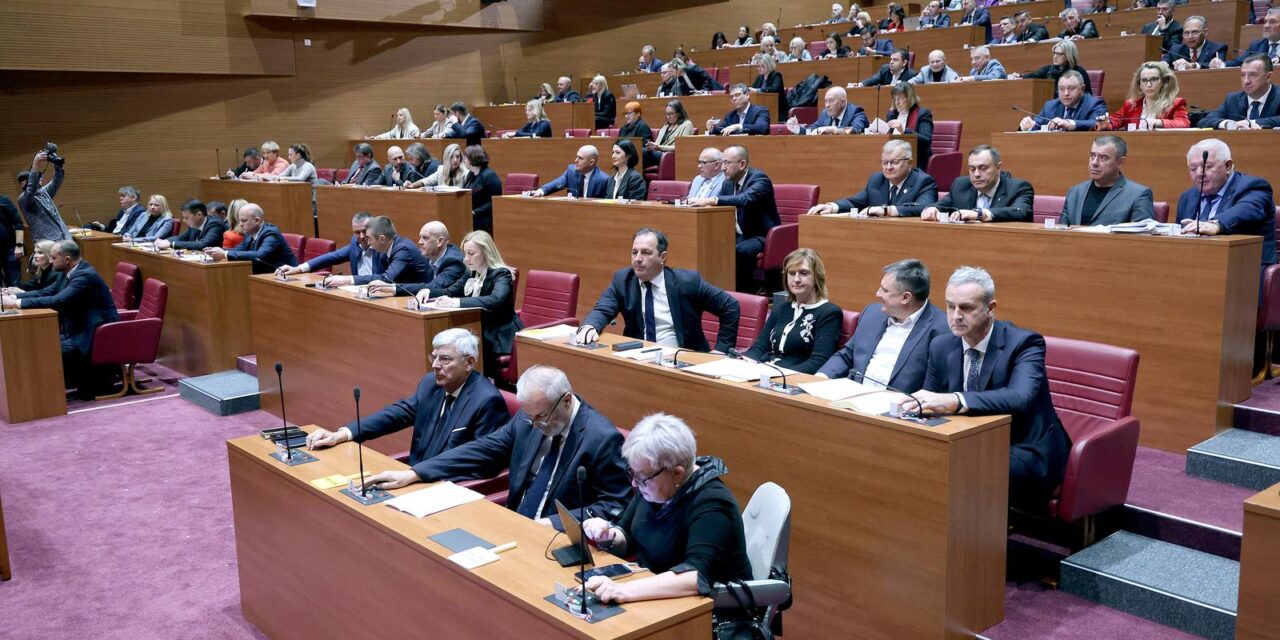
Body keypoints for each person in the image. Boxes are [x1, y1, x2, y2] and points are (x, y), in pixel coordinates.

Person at [366, 366, 629, 529]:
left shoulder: (601, 438)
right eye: (530, 417)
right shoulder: (529, 419)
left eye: (541, 417)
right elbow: (485, 449)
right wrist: (416, 472)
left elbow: (616, 505)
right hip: (513, 526)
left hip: (554, 541)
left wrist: (553, 524)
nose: (535, 424)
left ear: (567, 401)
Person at [910, 266, 1071, 509]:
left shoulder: (1025, 343)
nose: (955, 315)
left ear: (990, 309)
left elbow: (1019, 397)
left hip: (1022, 445)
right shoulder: (941, 345)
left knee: (967, 471)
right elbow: (931, 402)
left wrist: (955, 400)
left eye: (966, 307)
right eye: (950, 306)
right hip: (968, 441)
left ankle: (972, 543)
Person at [582, 413, 752, 604]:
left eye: (642, 478)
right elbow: (628, 536)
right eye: (633, 474)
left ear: (677, 473)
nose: (636, 485)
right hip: (657, 595)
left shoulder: (714, 505)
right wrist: (610, 536)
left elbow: (695, 576)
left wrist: (623, 591)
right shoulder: (655, 484)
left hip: (707, 614)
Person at [305, 328, 508, 463]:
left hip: (449, 489)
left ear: (470, 362)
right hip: (415, 477)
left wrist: (416, 476)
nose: (435, 365)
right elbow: (396, 414)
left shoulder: (487, 401)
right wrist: (342, 434)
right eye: (434, 357)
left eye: (445, 359)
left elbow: (482, 462)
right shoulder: (431, 384)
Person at [575, 228, 740, 352]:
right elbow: (603, 309)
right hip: (638, 357)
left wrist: (721, 351)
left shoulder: (687, 281)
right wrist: (589, 326)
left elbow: (730, 306)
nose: (638, 259)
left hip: (683, 359)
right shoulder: (622, 280)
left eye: (646, 253)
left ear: (663, 257)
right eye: (634, 252)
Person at [3, 240, 118, 398]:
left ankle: (47, 394)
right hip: (77, 327)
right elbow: (46, 292)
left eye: (54, 257)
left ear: (67, 259)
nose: (50, 261)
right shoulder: (67, 273)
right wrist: (12, 296)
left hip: (93, 331)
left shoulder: (85, 275)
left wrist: (16, 303)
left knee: (45, 350)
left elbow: (58, 300)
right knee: (37, 344)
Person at [817, 258, 950, 391]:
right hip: (853, 397)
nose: (877, 293)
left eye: (885, 290)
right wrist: (821, 377)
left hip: (899, 406)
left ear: (905, 298)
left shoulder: (941, 328)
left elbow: (936, 385)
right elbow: (847, 354)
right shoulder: (872, 314)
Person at [417, 230, 523, 375]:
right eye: (465, 253)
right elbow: (450, 291)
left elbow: (494, 300)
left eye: (471, 254)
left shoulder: (501, 273)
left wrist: (456, 302)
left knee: (461, 346)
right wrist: (428, 292)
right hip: (479, 327)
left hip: (498, 333)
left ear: (486, 253)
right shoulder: (471, 273)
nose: (466, 259)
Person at [1175, 139, 1276, 278]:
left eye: (1207, 166)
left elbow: (1246, 210)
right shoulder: (1188, 197)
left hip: (1244, 272)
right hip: (1198, 269)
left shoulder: (1254, 186)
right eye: (1193, 168)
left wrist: (1216, 224)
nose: (1199, 173)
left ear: (1228, 166)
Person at [688, 145, 780, 291]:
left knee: (740, 250)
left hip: (760, 235)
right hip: (737, 233)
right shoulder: (727, 183)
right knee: (709, 245)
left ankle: (743, 293)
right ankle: (715, 289)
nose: (723, 168)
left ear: (742, 164)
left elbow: (745, 199)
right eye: (722, 163)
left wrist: (712, 200)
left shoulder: (760, 179)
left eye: (727, 163)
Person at [742, 249, 842, 373]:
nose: (796, 279)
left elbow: (818, 361)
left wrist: (781, 375)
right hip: (764, 372)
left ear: (817, 276)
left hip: (792, 380)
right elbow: (760, 347)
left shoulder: (829, 313)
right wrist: (744, 363)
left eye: (803, 273)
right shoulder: (782, 308)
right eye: (791, 273)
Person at [807, 139, 937, 218]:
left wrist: (887, 210)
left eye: (894, 162)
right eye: (885, 163)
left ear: (910, 163)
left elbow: (924, 207)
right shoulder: (877, 180)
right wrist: (832, 206)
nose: (888, 167)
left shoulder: (923, 182)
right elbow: (856, 202)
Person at [922, 145, 1034, 222]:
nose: (976, 174)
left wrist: (979, 214)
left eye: (983, 168)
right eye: (972, 169)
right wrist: (932, 209)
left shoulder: (1019, 188)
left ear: (998, 168)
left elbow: (1020, 212)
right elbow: (941, 205)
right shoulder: (960, 185)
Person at [1060, 136, 1155, 226]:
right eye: (1092, 155)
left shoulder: (1138, 195)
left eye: (1103, 157)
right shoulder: (1075, 192)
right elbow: (1060, 231)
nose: (1094, 162)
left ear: (1120, 162)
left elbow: (1142, 238)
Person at [322, 216, 431, 287]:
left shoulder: (403, 249)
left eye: (369, 238)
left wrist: (348, 279)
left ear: (382, 239)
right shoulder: (390, 247)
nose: (368, 242)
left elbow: (386, 278)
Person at [370, 221, 467, 296]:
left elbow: (433, 287)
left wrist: (392, 288)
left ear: (440, 241)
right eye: (420, 237)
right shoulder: (430, 256)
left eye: (425, 238)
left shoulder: (454, 261)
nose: (420, 242)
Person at [277, 212, 382, 279]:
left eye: (364, 231)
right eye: (357, 232)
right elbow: (330, 257)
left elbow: (384, 278)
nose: (362, 236)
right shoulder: (355, 244)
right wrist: (298, 268)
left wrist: (349, 280)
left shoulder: (383, 247)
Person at [204, 203, 298, 273]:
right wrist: (216, 250)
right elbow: (237, 250)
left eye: (244, 220)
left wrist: (224, 254)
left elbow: (260, 255)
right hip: (264, 276)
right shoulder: (249, 234)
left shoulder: (270, 233)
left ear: (256, 220)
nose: (240, 224)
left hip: (286, 277)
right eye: (239, 220)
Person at [1099, 61, 1190, 130]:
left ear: (1163, 82)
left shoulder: (1175, 103)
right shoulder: (1131, 105)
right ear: (1139, 84)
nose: (1149, 84)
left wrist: (1159, 122)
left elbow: (1183, 123)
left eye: (1154, 79)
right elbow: (1114, 120)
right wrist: (1106, 123)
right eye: (1144, 80)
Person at [1200, 55, 1280, 130]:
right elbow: (1205, 121)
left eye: (1253, 75)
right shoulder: (1233, 99)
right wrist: (1229, 124)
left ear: (1268, 76)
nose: (1246, 81)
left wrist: (1250, 123)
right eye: (1243, 75)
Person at [1019, 70, 1107, 131]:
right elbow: (1038, 125)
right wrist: (1029, 126)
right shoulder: (1050, 106)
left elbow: (1097, 124)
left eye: (1071, 88)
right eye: (1061, 89)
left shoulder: (1094, 104)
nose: (1066, 93)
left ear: (1082, 89)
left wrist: (1069, 123)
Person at [16, 149, 72, 243]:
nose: (40, 180)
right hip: (46, 242)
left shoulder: (43, 191)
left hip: (64, 237)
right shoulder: (23, 199)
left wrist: (56, 161)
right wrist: (36, 163)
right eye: (38, 178)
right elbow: (32, 187)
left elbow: (57, 179)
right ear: (25, 183)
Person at [1007, 40, 1093, 97]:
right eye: (1054, 53)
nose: (1055, 57)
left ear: (1068, 55)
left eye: (1059, 54)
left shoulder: (1079, 72)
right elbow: (1034, 76)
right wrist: (1019, 76)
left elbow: (1087, 95)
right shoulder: (1049, 69)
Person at [884, 82, 936, 170]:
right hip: (891, 156)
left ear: (909, 98)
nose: (897, 102)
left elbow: (926, 140)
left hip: (915, 159)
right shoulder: (892, 114)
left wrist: (904, 131)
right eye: (895, 98)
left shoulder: (923, 114)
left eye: (900, 98)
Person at [525, 145, 610, 198]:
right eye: (577, 157)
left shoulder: (603, 179)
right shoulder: (571, 171)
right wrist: (541, 191)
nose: (576, 160)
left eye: (580, 158)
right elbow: (557, 183)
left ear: (591, 162)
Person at [790, 86, 868, 134]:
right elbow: (812, 130)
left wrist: (834, 129)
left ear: (843, 102)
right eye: (825, 101)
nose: (827, 105)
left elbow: (856, 130)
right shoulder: (825, 113)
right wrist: (798, 129)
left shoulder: (856, 112)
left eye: (831, 101)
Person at [156, 199, 229, 250]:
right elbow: (181, 238)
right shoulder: (194, 225)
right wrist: (163, 241)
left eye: (187, 218)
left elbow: (202, 244)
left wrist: (172, 244)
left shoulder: (215, 224)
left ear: (199, 215)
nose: (184, 220)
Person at [462, 145, 502, 233]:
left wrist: (475, 212)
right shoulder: (471, 174)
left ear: (471, 160)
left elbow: (494, 201)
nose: (464, 161)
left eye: (465, 158)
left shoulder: (490, 176)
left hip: (483, 218)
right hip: (471, 216)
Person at [707, 84, 771, 136]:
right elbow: (721, 129)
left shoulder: (760, 111)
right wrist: (712, 128)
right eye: (731, 97)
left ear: (747, 95)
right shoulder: (730, 116)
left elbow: (761, 127)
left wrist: (740, 126)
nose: (734, 99)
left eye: (737, 95)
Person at [645, 100, 694, 167]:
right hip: (658, 154)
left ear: (679, 113)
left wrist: (660, 147)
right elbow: (657, 143)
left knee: (642, 153)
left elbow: (682, 147)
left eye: (671, 114)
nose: (668, 117)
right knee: (638, 152)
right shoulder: (666, 126)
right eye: (667, 114)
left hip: (669, 156)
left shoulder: (687, 124)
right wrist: (652, 146)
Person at [0, 196, 20, 287]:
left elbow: (18, 223)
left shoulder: (3, 201)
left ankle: (17, 301)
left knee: (14, 283)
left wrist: (19, 246)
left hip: (10, 249)